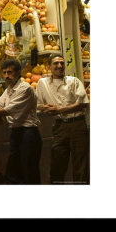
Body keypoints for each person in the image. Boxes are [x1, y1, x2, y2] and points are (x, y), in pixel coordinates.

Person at [36, 54, 89, 184]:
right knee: (57, 164)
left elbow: (83, 104)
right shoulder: (42, 83)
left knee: (80, 165)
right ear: (49, 67)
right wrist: (44, 108)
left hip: (78, 125)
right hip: (59, 127)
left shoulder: (74, 81)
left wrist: (59, 110)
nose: (59, 66)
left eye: (62, 63)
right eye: (56, 63)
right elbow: (36, 104)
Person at [0, 59, 42, 184]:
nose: (6, 76)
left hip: (29, 133)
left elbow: (7, 110)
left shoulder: (25, 89)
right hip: (16, 132)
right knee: (15, 171)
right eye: (4, 73)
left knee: (29, 171)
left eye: (9, 72)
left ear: (18, 72)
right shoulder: (8, 89)